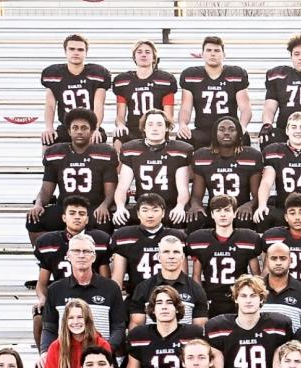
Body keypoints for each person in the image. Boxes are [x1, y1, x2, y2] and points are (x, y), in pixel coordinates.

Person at [32, 196, 112, 346]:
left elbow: (106, 280)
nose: (77, 217)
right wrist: (43, 299)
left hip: (92, 294)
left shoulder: (99, 240)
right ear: (64, 217)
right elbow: (41, 283)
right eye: (72, 213)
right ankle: (45, 358)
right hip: (61, 296)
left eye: (81, 214)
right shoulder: (48, 242)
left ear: (87, 219)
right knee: (38, 317)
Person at [28, 109, 119, 237]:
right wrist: (38, 204)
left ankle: (96, 256)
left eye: (84, 128)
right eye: (75, 128)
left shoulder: (104, 152)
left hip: (92, 207)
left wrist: (104, 205)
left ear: (92, 131)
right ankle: (44, 255)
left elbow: (110, 190)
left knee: (103, 221)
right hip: (65, 208)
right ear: (69, 131)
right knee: (34, 219)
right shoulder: (55, 153)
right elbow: (46, 190)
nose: (79, 131)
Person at [187, 194, 265, 317]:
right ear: (212, 215)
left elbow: (256, 275)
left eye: (227, 210)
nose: (223, 214)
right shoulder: (199, 239)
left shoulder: (248, 238)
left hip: (239, 296)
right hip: (211, 296)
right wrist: (201, 299)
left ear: (234, 213)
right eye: (218, 211)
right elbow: (196, 275)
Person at [112, 113, 193, 227]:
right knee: (120, 219)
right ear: (144, 128)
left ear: (166, 128)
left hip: (169, 206)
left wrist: (180, 206)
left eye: (160, 124)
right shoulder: (131, 149)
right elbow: (122, 187)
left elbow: (183, 188)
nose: (155, 128)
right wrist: (120, 207)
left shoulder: (180, 150)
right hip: (143, 207)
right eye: (150, 124)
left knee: (180, 219)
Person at [188, 116, 264, 227]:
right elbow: (196, 196)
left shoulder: (251, 155)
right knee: (195, 218)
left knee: (245, 218)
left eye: (232, 129)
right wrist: (195, 205)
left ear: (238, 133)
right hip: (214, 210)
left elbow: (257, 195)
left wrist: (249, 205)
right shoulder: (202, 155)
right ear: (215, 133)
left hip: (239, 209)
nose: (227, 133)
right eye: (222, 129)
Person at [177, 36, 251, 149]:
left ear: (224, 55)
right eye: (208, 50)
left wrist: (242, 126)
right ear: (202, 54)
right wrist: (182, 124)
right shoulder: (191, 75)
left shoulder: (236, 74)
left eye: (217, 51)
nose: (212, 54)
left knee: (244, 137)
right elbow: (186, 107)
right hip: (203, 130)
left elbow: (245, 108)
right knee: (183, 138)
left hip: (229, 130)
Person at [40, 33, 110, 145]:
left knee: (99, 140)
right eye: (72, 49)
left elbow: (99, 105)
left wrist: (95, 129)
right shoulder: (53, 74)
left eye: (80, 50)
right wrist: (49, 128)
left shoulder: (97, 73)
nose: (76, 52)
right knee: (47, 139)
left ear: (86, 52)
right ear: (65, 51)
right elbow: (50, 105)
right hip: (67, 126)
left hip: (89, 126)